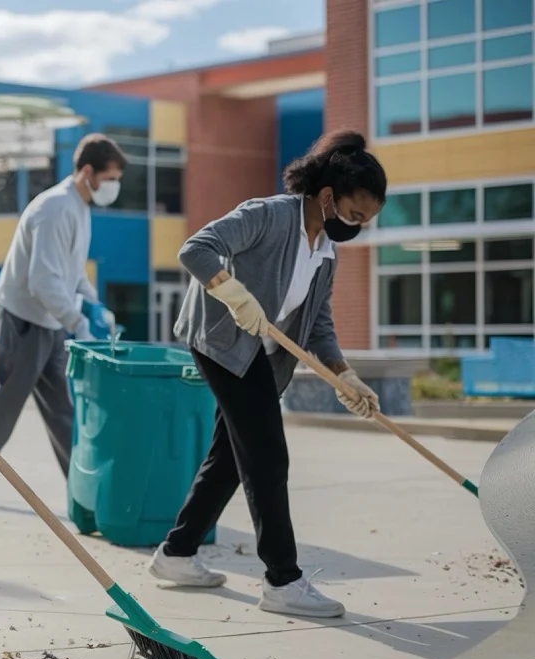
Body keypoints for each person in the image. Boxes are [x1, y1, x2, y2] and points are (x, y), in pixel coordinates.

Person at [146, 130, 386, 618]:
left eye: (365, 220)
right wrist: (233, 294)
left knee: (230, 458)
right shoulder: (269, 215)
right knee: (268, 457)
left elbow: (318, 323)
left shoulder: (325, 252)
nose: (357, 226)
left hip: (260, 353)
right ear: (327, 196)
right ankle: (282, 580)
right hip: (222, 340)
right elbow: (197, 248)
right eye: (355, 214)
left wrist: (345, 375)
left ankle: (177, 553)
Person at [0, 134, 126, 506]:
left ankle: (84, 490)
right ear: (87, 172)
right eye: (110, 178)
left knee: (63, 408)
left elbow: (72, 272)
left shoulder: (79, 208)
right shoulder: (56, 208)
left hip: (49, 321)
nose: (114, 186)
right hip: (24, 318)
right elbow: (43, 280)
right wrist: (77, 321)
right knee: (8, 400)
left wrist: (94, 306)